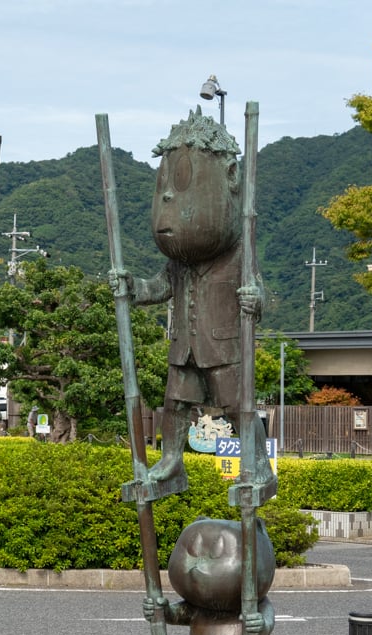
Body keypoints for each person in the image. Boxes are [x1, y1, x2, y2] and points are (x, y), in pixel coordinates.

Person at [113, 107, 266, 489]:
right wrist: (133, 289)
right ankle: (171, 462)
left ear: (230, 179)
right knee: (175, 404)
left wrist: (253, 299)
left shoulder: (238, 253)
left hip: (223, 347)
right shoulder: (179, 262)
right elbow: (159, 286)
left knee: (238, 408)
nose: (167, 196)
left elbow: (260, 294)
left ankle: (258, 467)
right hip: (184, 347)